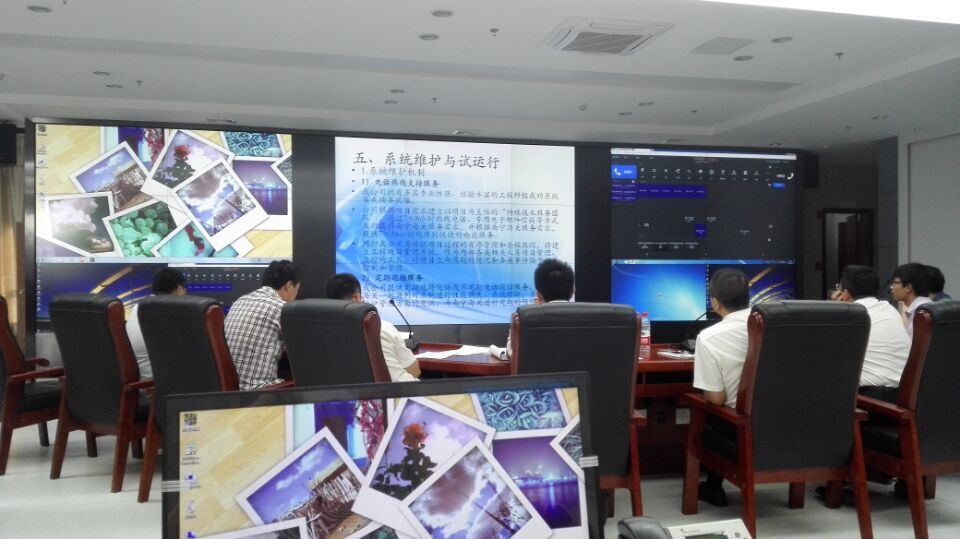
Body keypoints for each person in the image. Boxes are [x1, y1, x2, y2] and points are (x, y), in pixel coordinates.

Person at [692, 268, 751, 506]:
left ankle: (713, 487)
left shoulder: (709, 337)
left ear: (715, 302)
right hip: (786, 429)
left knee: (707, 413)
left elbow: (716, 399)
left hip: (742, 434)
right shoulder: (776, 326)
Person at [832, 265, 911, 401]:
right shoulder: (889, 309)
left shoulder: (851, 316)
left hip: (870, 399)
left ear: (845, 294)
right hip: (903, 394)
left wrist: (835, 308)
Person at [324, 273, 420, 382]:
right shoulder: (380, 328)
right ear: (357, 297)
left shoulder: (320, 331)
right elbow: (415, 370)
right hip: (395, 390)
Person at [224, 260, 301, 390]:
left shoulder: (240, 300)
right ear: (288, 285)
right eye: (297, 289)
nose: (296, 296)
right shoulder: (282, 308)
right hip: (260, 392)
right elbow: (303, 348)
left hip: (230, 391)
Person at [501, 258, 575, 360]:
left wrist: (515, 327)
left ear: (538, 295)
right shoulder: (591, 319)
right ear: (573, 291)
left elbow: (512, 355)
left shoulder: (524, 320)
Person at [126, 267, 187, 378]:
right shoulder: (171, 312)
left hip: (139, 380)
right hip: (156, 382)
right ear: (179, 290)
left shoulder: (137, 307)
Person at [889, 263, 932, 337]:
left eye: (895, 283)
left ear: (908, 287)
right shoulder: (927, 304)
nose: (891, 287)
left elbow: (912, 343)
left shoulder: (920, 311)